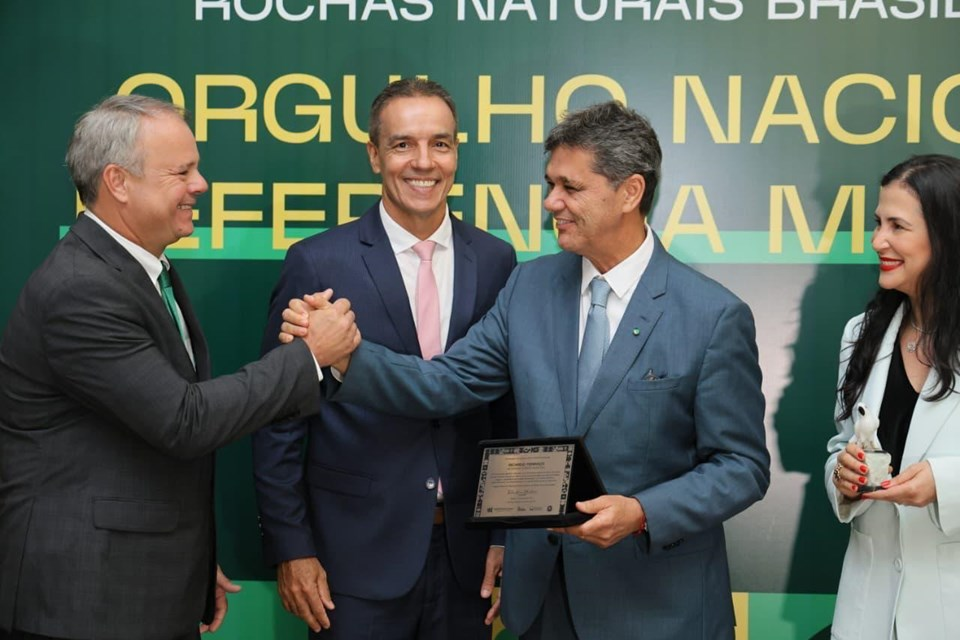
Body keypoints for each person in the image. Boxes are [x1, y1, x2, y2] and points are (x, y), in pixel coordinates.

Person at [282, 100, 770, 639]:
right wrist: (345, 353)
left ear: (630, 192)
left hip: (656, 609)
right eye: (550, 184)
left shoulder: (712, 315)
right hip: (541, 602)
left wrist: (641, 512)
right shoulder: (529, 287)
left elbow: (742, 466)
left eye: (570, 188)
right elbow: (446, 382)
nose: (551, 202)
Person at [0, 94, 358, 640]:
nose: (201, 184)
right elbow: (183, 420)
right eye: (182, 171)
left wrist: (185, 561)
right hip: (83, 606)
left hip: (136, 582)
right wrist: (310, 355)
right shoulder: (82, 288)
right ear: (118, 182)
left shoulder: (139, 268)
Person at [252, 78, 517, 639]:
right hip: (352, 561)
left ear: (456, 152)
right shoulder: (318, 262)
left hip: (468, 560)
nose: (424, 162)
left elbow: (506, 411)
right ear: (374, 155)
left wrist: (503, 534)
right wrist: (291, 547)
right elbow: (278, 419)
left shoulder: (497, 260)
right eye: (402, 144)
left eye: (440, 143)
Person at [826, 154, 960, 640]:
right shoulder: (859, 334)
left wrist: (944, 483)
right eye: (878, 223)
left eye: (897, 226)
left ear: (945, 236)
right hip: (867, 613)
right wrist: (843, 475)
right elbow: (841, 445)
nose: (878, 240)